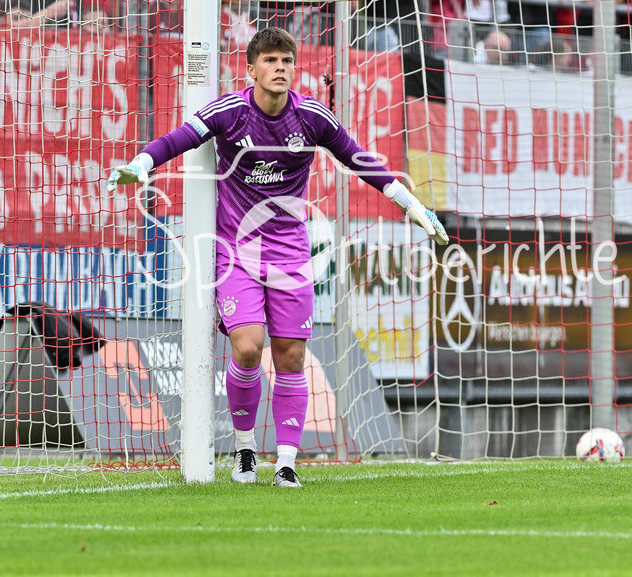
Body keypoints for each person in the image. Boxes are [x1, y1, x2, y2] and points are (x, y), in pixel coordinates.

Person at [106, 27, 447, 487]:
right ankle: (245, 451)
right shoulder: (230, 111)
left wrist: (410, 203)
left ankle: (286, 462)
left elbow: (360, 160)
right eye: (270, 60)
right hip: (236, 253)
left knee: (290, 356)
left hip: (290, 255)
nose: (280, 68)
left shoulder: (312, 117)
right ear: (251, 69)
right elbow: (179, 138)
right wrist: (143, 164)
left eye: (286, 60)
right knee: (248, 347)